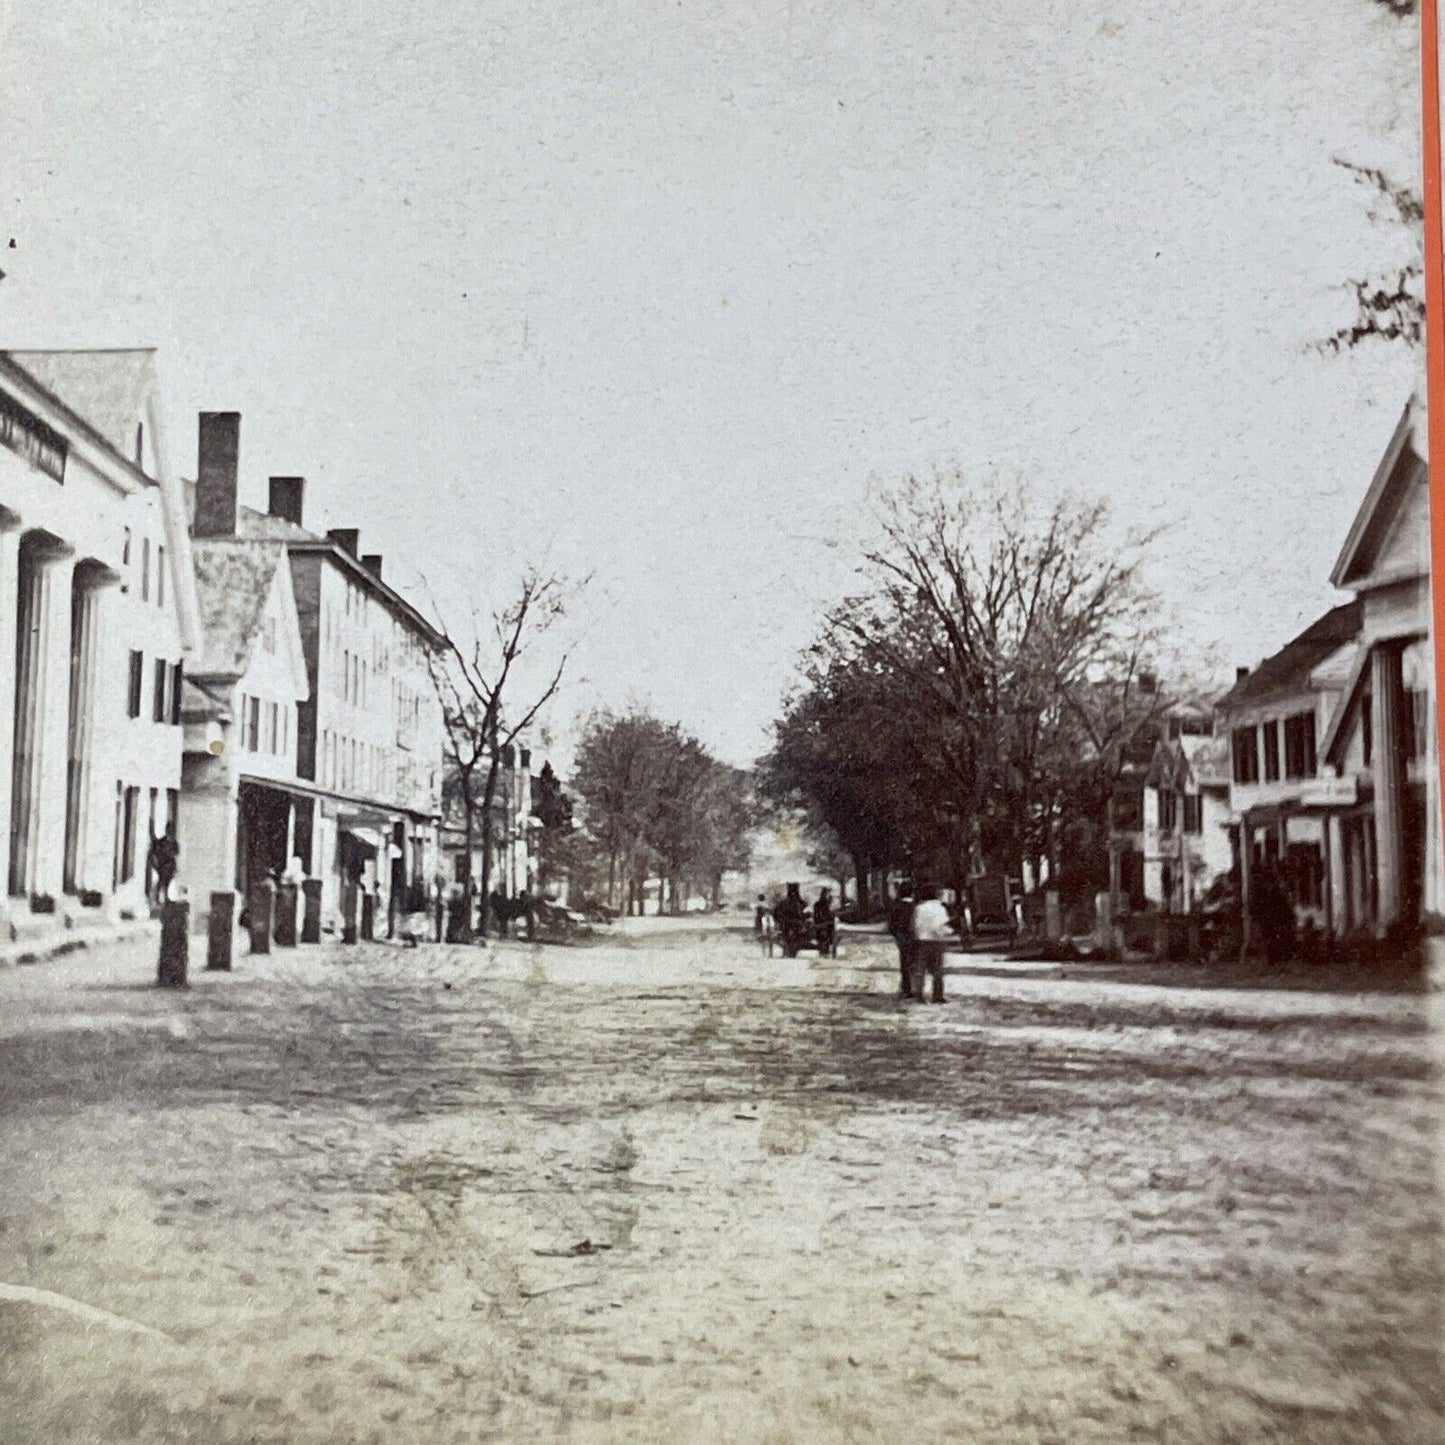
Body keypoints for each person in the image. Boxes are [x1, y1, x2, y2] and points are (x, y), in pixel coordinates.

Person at [910, 884, 951, 1004]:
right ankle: (937, 996)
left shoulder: (919, 908)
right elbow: (940, 926)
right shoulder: (940, 909)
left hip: (921, 941)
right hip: (936, 941)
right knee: (937, 970)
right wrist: (948, 932)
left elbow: (914, 925)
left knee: (920, 970)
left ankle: (919, 995)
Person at [886, 882, 916, 998]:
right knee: (915, 963)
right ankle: (916, 987)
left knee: (904, 964)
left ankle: (906, 988)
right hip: (915, 936)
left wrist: (896, 934)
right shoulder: (915, 906)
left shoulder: (897, 906)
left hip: (902, 937)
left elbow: (891, 924)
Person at [147, 830, 179, 907]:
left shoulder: (173, 842)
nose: (170, 835)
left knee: (167, 883)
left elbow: (176, 852)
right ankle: (158, 898)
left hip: (170, 866)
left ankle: (165, 898)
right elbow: (156, 850)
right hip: (163, 866)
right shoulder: (162, 842)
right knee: (162, 881)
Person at [812, 888, 836, 957]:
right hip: (823, 925)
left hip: (822, 925)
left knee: (824, 940)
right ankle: (824, 953)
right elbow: (822, 915)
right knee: (824, 940)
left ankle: (824, 952)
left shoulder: (821, 904)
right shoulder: (823, 905)